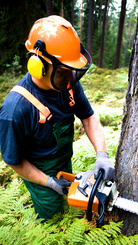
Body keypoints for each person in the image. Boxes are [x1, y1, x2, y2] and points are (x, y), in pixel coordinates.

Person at [0, 15, 115, 219]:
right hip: (38, 172)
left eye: (73, 71)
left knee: (68, 209)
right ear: (39, 65)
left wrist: (102, 154)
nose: (71, 78)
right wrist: (49, 182)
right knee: (52, 218)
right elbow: (14, 161)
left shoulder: (67, 84)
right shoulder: (15, 110)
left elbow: (88, 117)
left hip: (63, 161)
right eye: (64, 71)